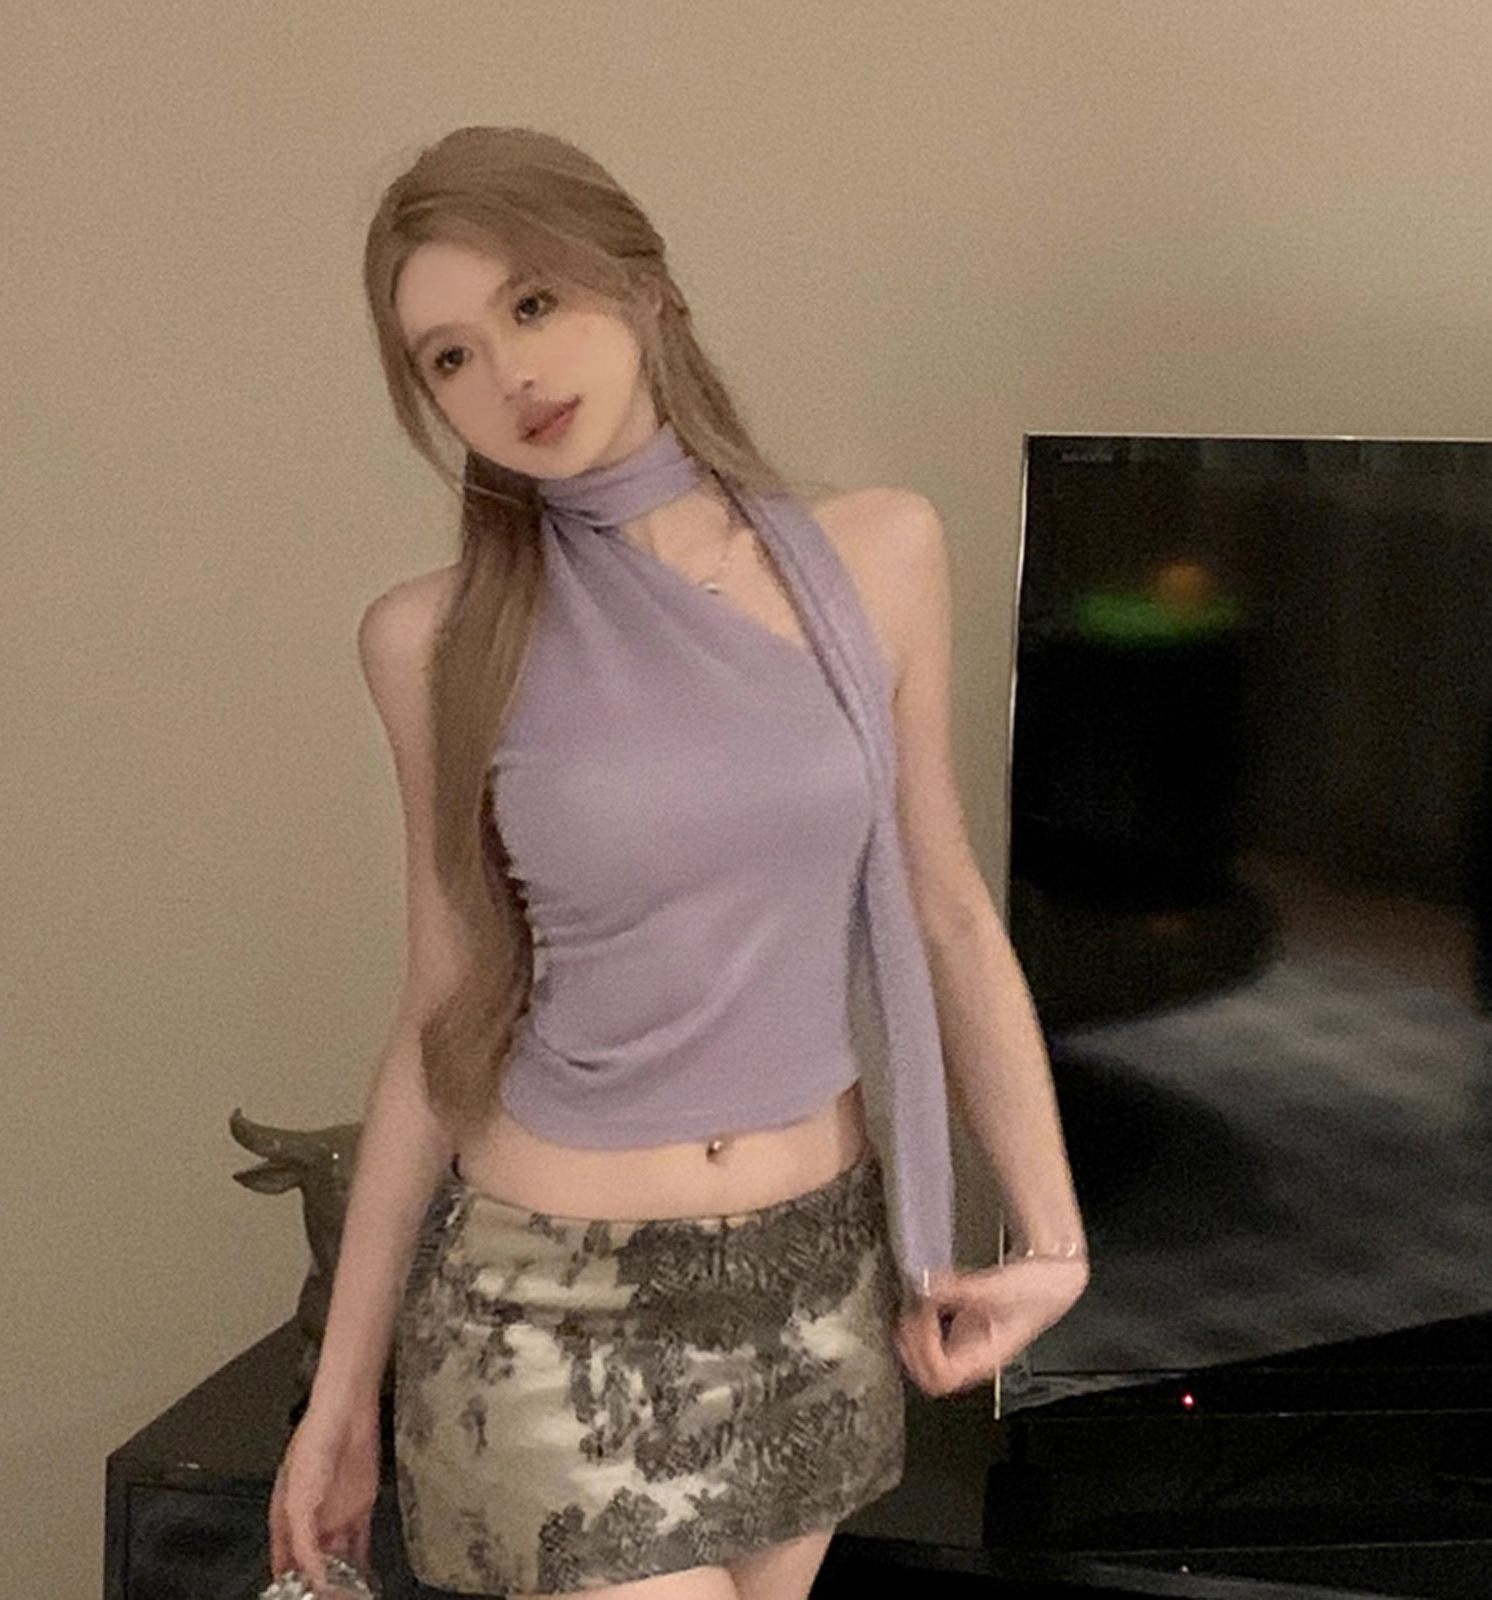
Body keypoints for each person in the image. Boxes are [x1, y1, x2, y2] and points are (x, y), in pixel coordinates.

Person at [268, 125, 1088, 1600]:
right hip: (549, 1313)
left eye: (531, 303)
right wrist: (342, 1397)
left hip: (814, 1286)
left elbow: (948, 910)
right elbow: (439, 1010)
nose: (508, 374)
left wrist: (1054, 1236)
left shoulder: (881, 554)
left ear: (638, 282)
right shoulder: (429, 641)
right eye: (448, 358)